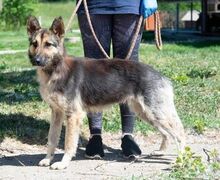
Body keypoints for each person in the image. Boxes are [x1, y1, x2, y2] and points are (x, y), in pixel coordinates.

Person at [77, 0, 143, 159]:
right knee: (93, 71)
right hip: (93, 6)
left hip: (130, 6)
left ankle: (128, 135)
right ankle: (95, 135)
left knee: (129, 71)